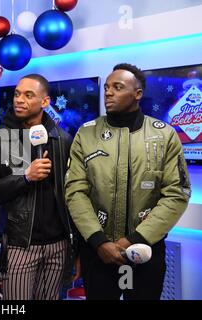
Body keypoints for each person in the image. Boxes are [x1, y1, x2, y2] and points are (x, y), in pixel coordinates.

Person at [65, 63, 191, 300]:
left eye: (118, 87)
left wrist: (135, 240)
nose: (108, 93)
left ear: (138, 93)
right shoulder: (86, 133)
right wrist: (98, 241)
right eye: (107, 88)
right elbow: (75, 191)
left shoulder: (164, 135)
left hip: (146, 251)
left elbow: (177, 193)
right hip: (98, 252)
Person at [0, 74, 79, 300]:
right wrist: (25, 177)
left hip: (58, 246)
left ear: (45, 102)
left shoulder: (62, 139)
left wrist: (76, 244)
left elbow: (72, 194)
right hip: (19, 245)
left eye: (28, 95)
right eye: (16, 94)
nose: (19, 100)